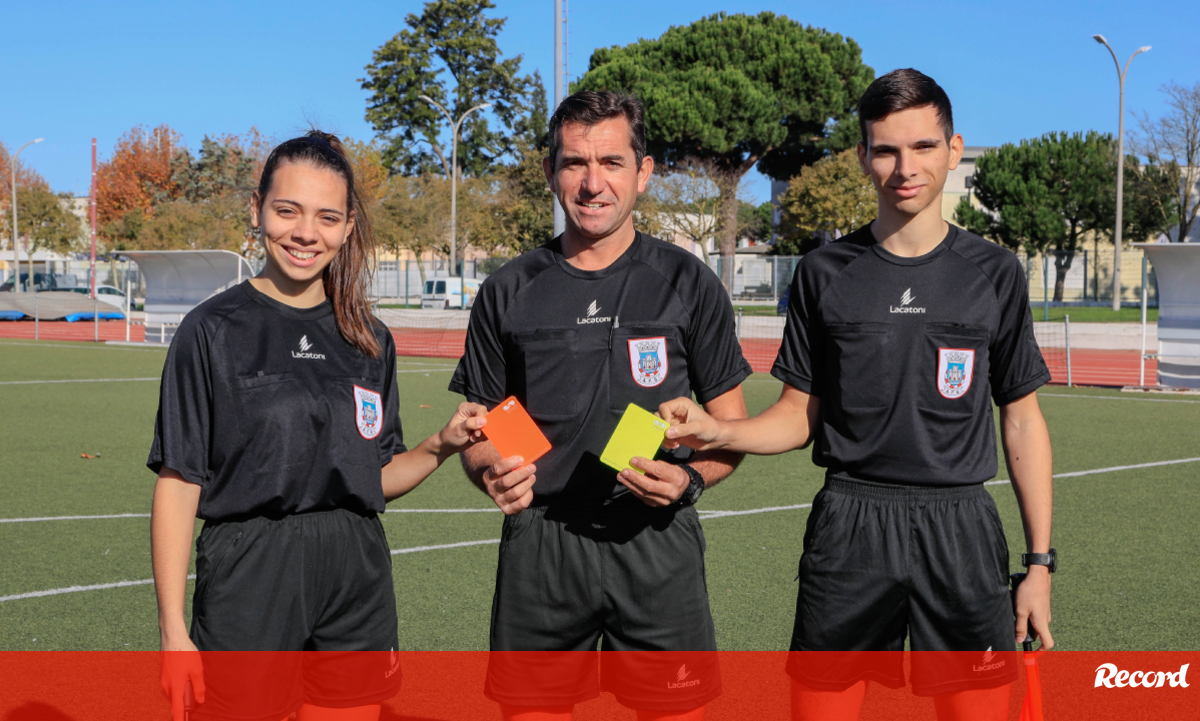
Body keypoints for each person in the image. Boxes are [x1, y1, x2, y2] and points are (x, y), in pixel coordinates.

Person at [659, 69, 1055, 721]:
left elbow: (1021, 420)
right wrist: (717, 429)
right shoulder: (824, 273)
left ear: (954, 150)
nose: (906, 167)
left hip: (960, 525)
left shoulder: (995, 272)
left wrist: (1039, 564)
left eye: (924, 146)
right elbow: (797, 416)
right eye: (887, 149)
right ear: (864, 156)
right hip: (850, 523)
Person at [149, 131, 488, 721]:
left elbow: (372, 476)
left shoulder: (369, 338)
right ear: (256, 210)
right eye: (288, 211)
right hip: (251, 570)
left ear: (348, 226)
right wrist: (172, 632)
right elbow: (179, 484)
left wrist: (440, 445)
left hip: (355, 569)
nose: (306, 233)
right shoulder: (211, 331)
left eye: (327, 217)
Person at [448, 91, 752, 720]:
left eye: (612, 162)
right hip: (542, 544)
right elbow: (480, 429)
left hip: (655, 538)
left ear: (643, 172)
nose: (593, 184)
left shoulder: (688, 282)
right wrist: (490, 471)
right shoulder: (508, 290)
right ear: (550, 171)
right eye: (574, 163)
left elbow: (733, 427)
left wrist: (691, 479)